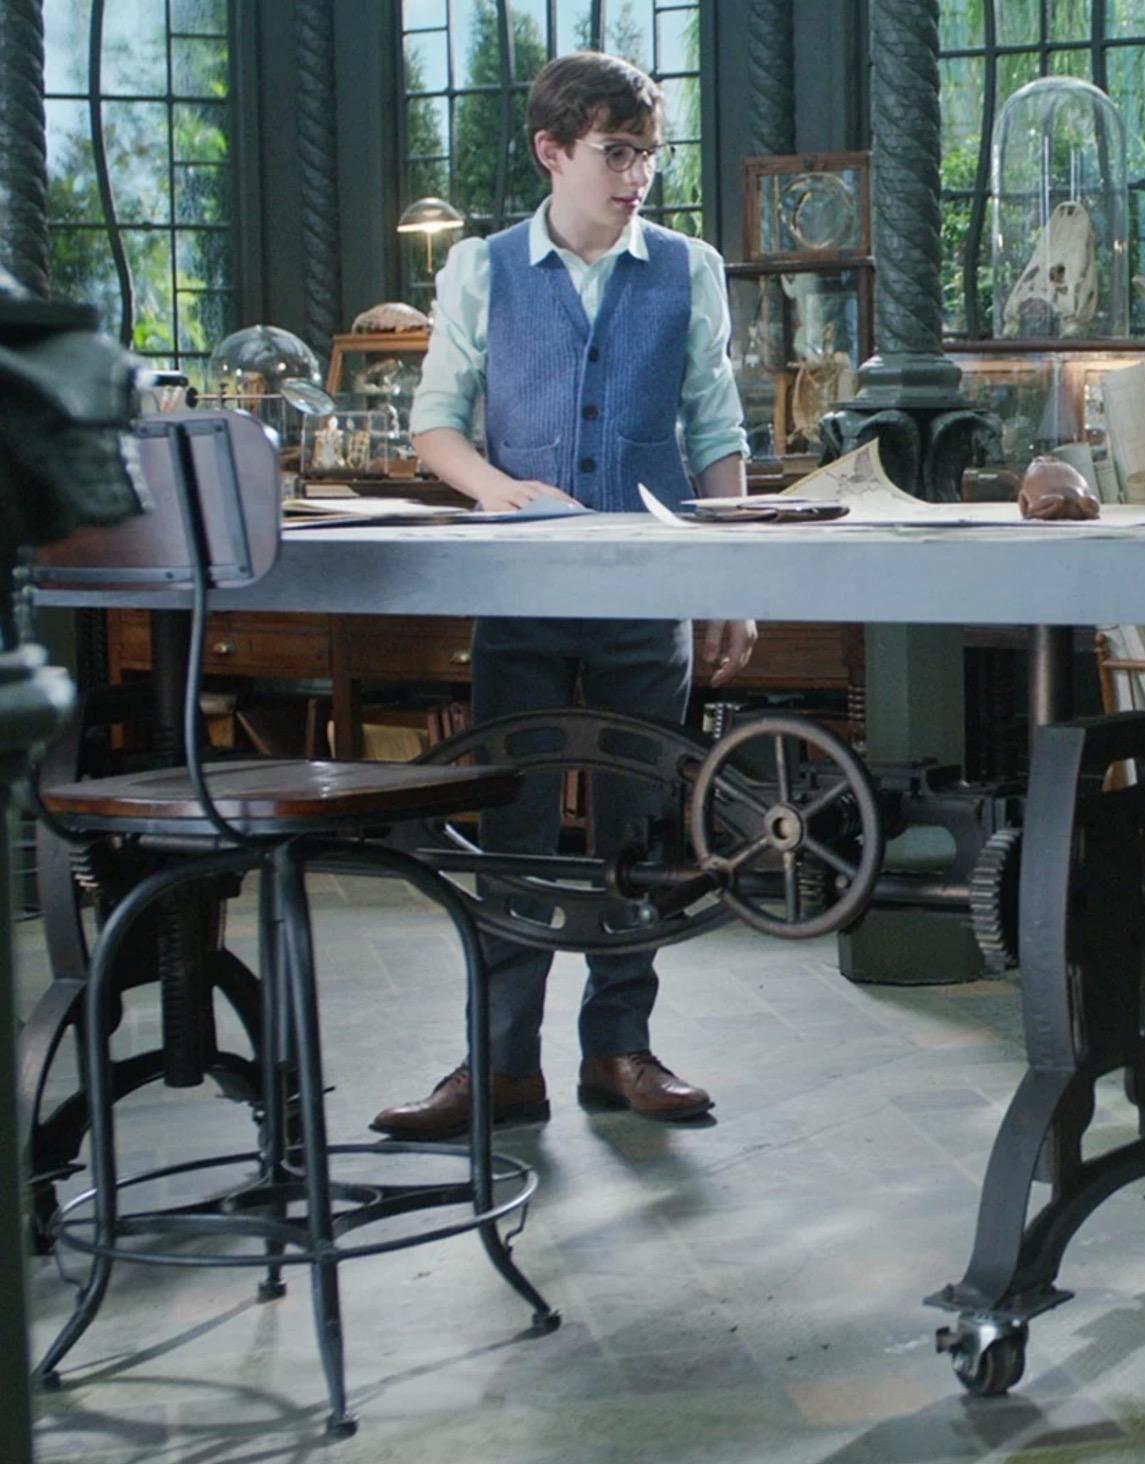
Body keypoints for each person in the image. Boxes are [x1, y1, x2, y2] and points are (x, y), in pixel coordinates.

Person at [374, 51, 755, 1139]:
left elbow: (717, 432)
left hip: (650, 590)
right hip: (523, 591)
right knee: (515, 828)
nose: (637, 176)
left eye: (647, 155)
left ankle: (619, 1050)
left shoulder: (686, 268)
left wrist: (732, 581)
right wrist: (495, 489)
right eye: (615, 153)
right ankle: (500, 1066)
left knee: (641, 831)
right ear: (552, 151)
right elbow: (436, 422)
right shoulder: (483, 269)